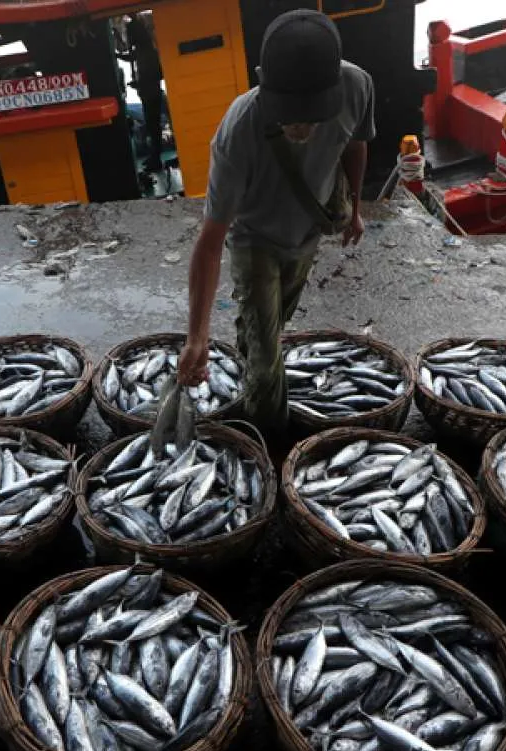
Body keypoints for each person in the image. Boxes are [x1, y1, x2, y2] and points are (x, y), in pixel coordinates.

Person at [175, 9, 374, 446]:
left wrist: (356, 208)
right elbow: (209, 243)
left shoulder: (357, 86)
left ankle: (252, 343)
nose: (301, 127)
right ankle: (271, 449)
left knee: (270, 326)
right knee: (267, 363)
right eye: (290, 115)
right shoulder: (237, 131)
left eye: (311, 114)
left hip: (308, 230)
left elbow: (356, 145)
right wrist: (197, 337)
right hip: (256, 241)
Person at [124, 12, 167, 172]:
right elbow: (131, 57)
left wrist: (139, 83)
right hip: (148, 92)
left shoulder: (147, 52)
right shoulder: (144, 50)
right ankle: (154, 157)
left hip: (152, 94)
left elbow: (156, 73)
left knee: (154, 128)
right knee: (152, 127)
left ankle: (156, 159)